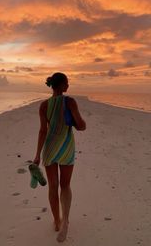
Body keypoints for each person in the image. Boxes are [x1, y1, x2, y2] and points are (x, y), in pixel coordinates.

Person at [33, 72, 86, 242]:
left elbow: (43, 131)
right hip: (66, 147)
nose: (68, 86)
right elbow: (82, 126)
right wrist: (75, 121)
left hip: (49, 148)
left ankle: (56, 221)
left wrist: (37, 155)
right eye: (67, 83)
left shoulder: (44, 105)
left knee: (53, 186)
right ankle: (66, 222)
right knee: (65, 185)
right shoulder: (70, 102)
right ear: (61, 85)